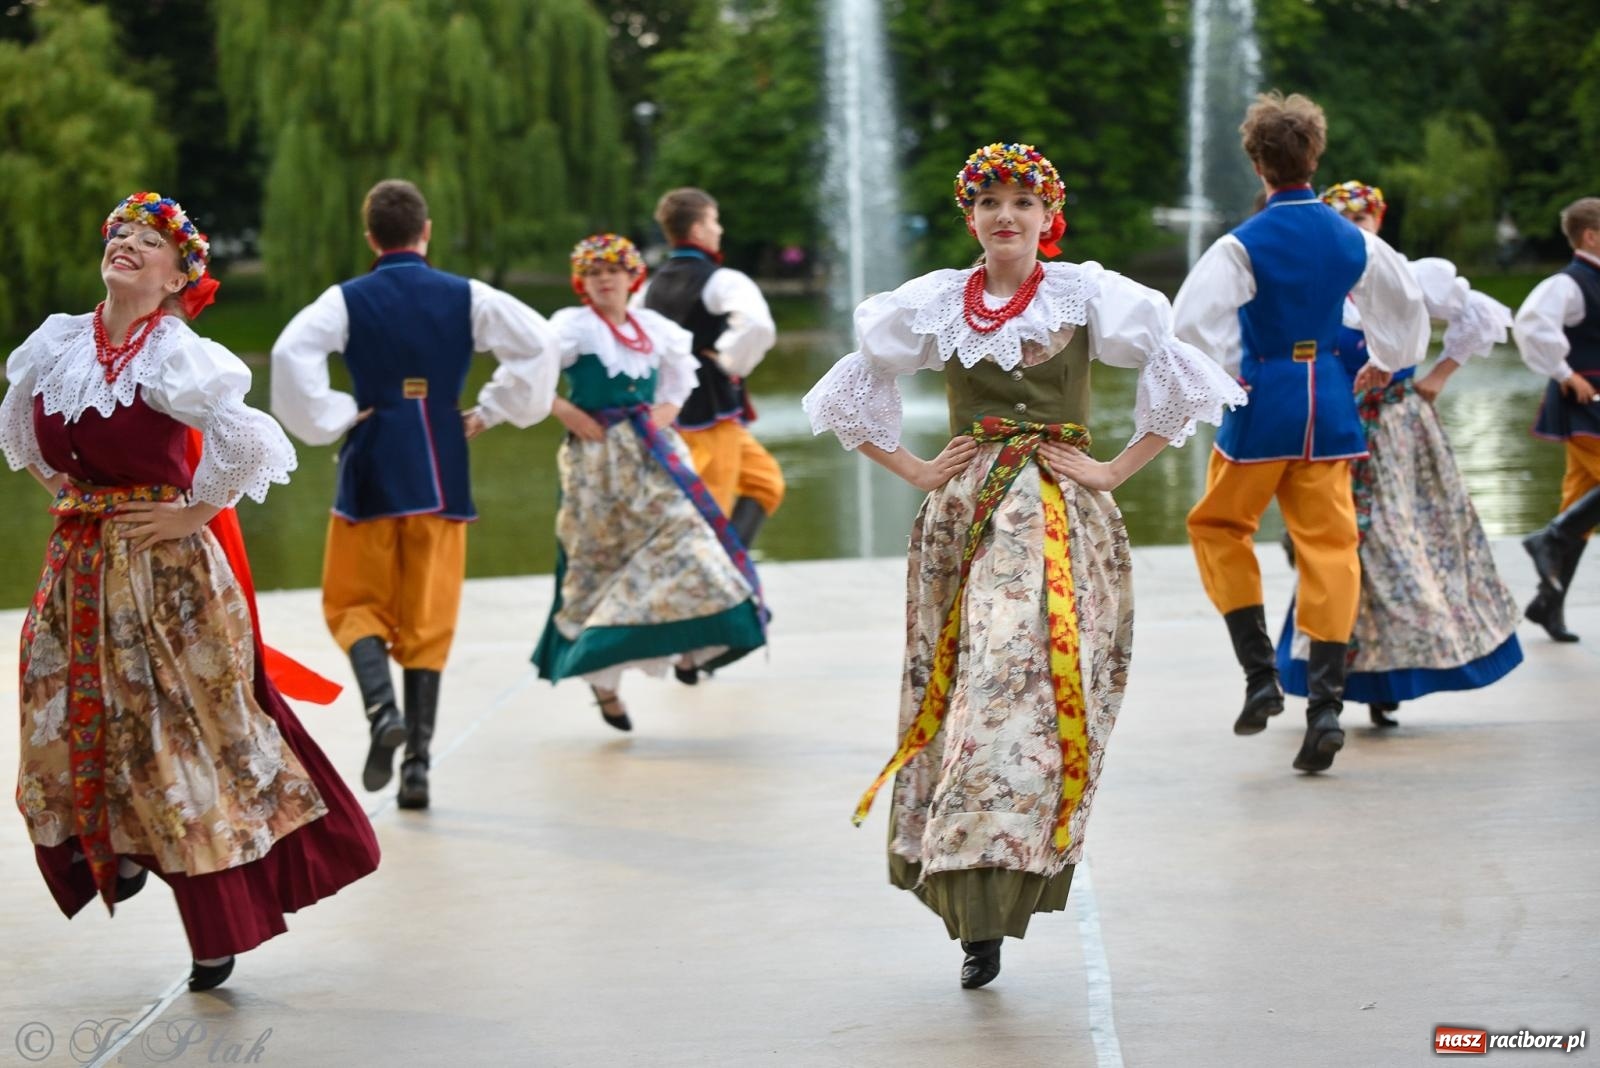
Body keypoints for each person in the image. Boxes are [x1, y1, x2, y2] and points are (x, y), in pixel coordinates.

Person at [803, 143, 1244, 989]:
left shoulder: (1090, 294)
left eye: (1022, 201)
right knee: (973, 688)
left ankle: (1006, 878)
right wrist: (921, 470)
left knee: (1023, 690)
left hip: (1059, 516)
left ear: (1049, 217)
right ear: (970, 217)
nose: (1006, 215)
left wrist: (1114, 469)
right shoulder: (934, 302)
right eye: (990, 202)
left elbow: (1186, 381)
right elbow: (847, 396)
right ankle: (977, 917)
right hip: (966, 514)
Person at [0, 192, 380, 992]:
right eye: (120, 237)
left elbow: (250, 438)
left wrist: (191, 512)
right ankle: (111, 851)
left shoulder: (175, 350)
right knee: (59, 710)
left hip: (165, 577)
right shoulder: (61, 342)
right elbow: (20, 432)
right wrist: (75, 492)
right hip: (79, 563)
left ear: (178, 276)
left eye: (147, 242)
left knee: (178, 741)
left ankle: (215, 926)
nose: (128, 247)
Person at [271, 179, 559, 809]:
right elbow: (540, 343)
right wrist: (492, 410)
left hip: (373, 459)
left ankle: (381, 712)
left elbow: (290, 353)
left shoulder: (346, 300)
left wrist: (337, 413)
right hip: (442, 463)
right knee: (428, 619)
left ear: (371, 236)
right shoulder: (469, 296)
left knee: (352, 603)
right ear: (425, 231)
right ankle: (419, 769)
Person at [1175, 92, 1428, 772]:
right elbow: (1405, 309)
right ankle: (1325, 706)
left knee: (1220, 526)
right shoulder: (1357, 239)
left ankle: (1260, 675)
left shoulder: (1240, 244)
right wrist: (1383, 360)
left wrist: (1233, 376)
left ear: (1258, 163)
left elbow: (1191, 326)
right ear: (1315, 156)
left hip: (1263, 406)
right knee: (1331, 547)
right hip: (1333, 409)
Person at [1274, 181, 1522, 728]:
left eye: (1363, 219)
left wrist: (1437, 376)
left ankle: (1381, 680)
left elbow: (1481, 314)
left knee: (1394, 544)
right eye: (1343, 221)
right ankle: (1343, 682)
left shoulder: (1410, 275)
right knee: (1341, 548)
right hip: (1334, 431)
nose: (1355, 230)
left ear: (1378, 223)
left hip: (1395, 432)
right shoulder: (1319, 286)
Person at [532, 235, 768, 727]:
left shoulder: (655, 328)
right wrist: (566, 410)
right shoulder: (569, 328)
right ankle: (603, 685)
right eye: (594, 273)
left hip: (653, 453)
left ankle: (688, 642)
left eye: (613, 272)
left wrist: (669, 409)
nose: (605, 280)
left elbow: (683, 380)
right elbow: (528, 378)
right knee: (598, 561)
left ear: (631, 278)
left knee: (688, 540)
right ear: (583, 282)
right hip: (597, 461)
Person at [638, 189, 782, 685]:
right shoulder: (722, 279)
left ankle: (731, 579)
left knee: (765, 482)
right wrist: (725, 359)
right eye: (715, 221)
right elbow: (757, 326)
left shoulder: (650, 286)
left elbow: (639, 341)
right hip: (709, 414)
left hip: (695, 415)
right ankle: (693, 642)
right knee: (710, 520)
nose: (719, 230)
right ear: (698, 229)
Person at [1513, 196, 1600, 641]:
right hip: (1585, 403)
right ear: (1590, 235)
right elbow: (1529, 325)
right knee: (1577, 514)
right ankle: (1550, 538)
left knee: (1579, 504)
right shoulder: (1568, 284)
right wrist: (1566, 374)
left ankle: (1549, 603)